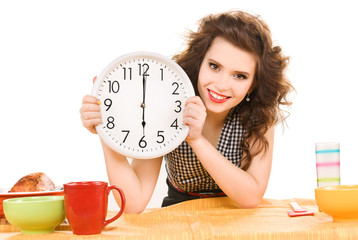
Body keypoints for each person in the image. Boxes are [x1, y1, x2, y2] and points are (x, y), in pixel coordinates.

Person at [80, 10, 293, 214]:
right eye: (214, 66)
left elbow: (251, 198)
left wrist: (196, 140)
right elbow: (133, 204)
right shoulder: (168, 101)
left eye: (239, 76)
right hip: (179, 213)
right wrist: (104, 130)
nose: (221, 85)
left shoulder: (260, 115)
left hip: (238, 217)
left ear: (254, 83)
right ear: (200, 62)